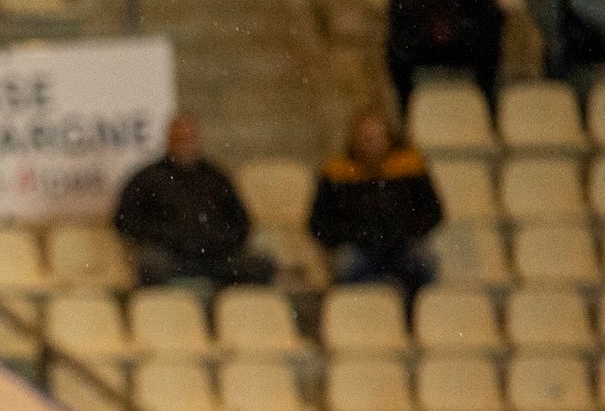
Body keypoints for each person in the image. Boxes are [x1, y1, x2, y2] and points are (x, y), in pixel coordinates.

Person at [113, 116, 275, 288]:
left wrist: (217, 240)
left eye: (189, 139)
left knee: (260, 264)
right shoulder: (147, 178)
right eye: (179, 139)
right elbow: (124, 220)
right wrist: (165, 235)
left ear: (198, 140)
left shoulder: (216, 177)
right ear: (168, 140)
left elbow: (241, 222)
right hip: (171, 256)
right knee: (151, 266)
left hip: (215, 258)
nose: (184, 144)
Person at [309, 109, 443, 295]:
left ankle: (417, 317)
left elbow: (433, 212)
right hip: (358, 247)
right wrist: (351, 235)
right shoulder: (336, 171)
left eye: (376, 137)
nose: (370, 143)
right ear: (353, 139)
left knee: (425, 260)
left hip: (403, 244)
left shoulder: (410, 165)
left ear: (388, 137)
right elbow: (318, 222)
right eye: (365, 138)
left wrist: (404, 231)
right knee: (346, 264)